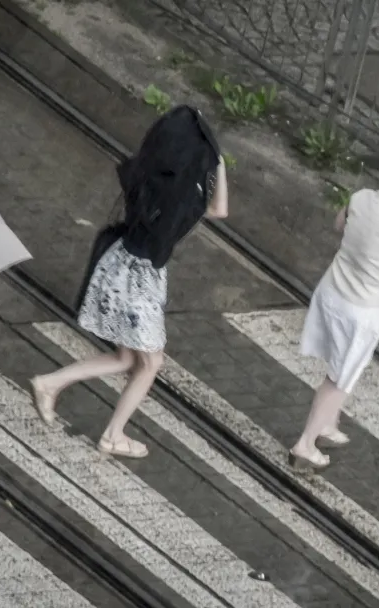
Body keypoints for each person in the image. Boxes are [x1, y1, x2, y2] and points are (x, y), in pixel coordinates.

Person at [30, 105, 228, 459]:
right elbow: (220, 210)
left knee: (126, 358)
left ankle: (50, 384)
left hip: (118, 264)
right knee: (150, 364)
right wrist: (219, 165)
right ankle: (112, 435)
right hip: (139, 282)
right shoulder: (182, 198)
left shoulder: (149, 177)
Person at [288, 154, 379, 472]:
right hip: (361, 312)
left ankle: (327, 425)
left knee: (343, 368)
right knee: (339, 378)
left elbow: (340, 224)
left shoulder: (360, 197)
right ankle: (305, 444)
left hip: (332, 292)